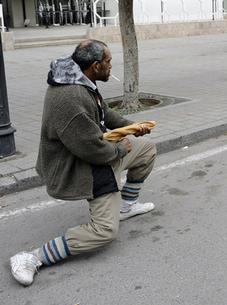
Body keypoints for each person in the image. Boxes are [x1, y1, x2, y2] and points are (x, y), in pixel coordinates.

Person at [9, 40, 157, 286]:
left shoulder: (80, 78)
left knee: (147, 149)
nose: (112, 65)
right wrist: (121, 147)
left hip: (97, 152)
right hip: (81, 165)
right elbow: (92, 150)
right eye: (109, 61)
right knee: (105, 232)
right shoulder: (71, 97)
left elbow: (104, 114)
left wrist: (132, 127)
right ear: (96, 65)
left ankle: (126, 207)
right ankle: (31, 257)